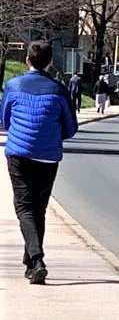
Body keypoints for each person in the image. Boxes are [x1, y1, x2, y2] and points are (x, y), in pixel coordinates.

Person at [1, 41, 78, 284]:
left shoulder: (12, 85)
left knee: (24, 208)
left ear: (27, 60)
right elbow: (70, 127)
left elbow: (4, 119)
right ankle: (31, 265)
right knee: (39, 209)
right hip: (47, 156)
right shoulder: (59, 89)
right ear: (50, 62)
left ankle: (36, 259)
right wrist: (50, 136)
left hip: (19, 155)